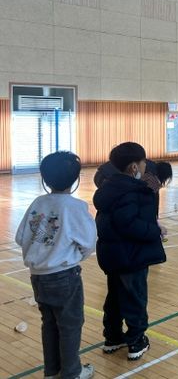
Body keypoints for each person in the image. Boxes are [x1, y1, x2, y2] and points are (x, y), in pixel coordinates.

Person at [15, 151, 97, 379]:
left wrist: (43, 250)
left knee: (49, 323)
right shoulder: (75, 207)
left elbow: (21, 237)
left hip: (38, 277)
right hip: (65, 276)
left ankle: (52, 371)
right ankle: (71, 373)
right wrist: (72, 256)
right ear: (76, 178)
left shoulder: (38, 203)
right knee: (70, 325)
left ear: (45, 178)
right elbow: (89, 243)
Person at [93, 142, 166, 361]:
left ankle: (113, 337)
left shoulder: (108, 188)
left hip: (112, 254)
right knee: (135, 297)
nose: (145, 167)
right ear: (135, 166)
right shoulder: (134, 190)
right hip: (132, 255)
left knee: (114, 297)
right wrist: (155, 230)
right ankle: (136, 340)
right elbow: (129, 223)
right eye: (143, 163)